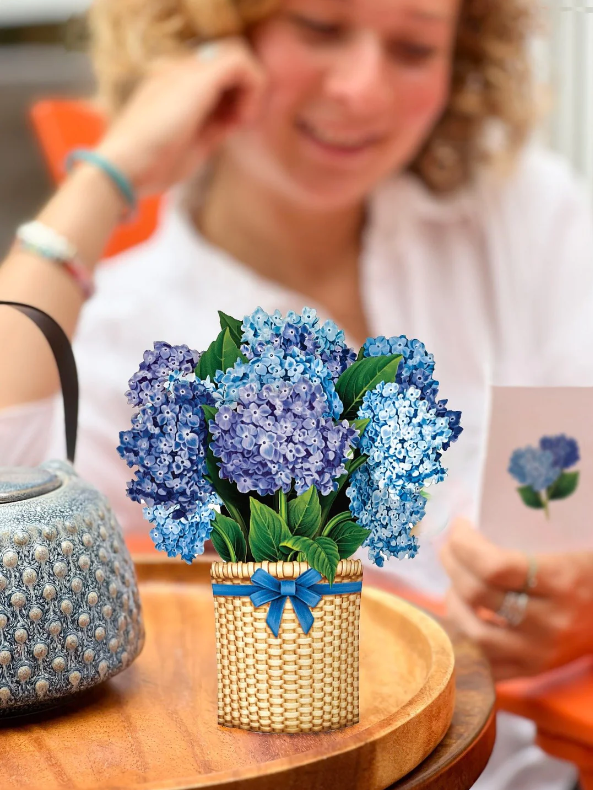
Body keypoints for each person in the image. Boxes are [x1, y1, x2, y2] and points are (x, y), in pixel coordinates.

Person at [0, 0, 592, 787]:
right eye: (317, 27)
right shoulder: (127, 342)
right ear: (211, 39)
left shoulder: (518, 217)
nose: (361, 90)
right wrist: (114, 172)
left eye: (414, 48)